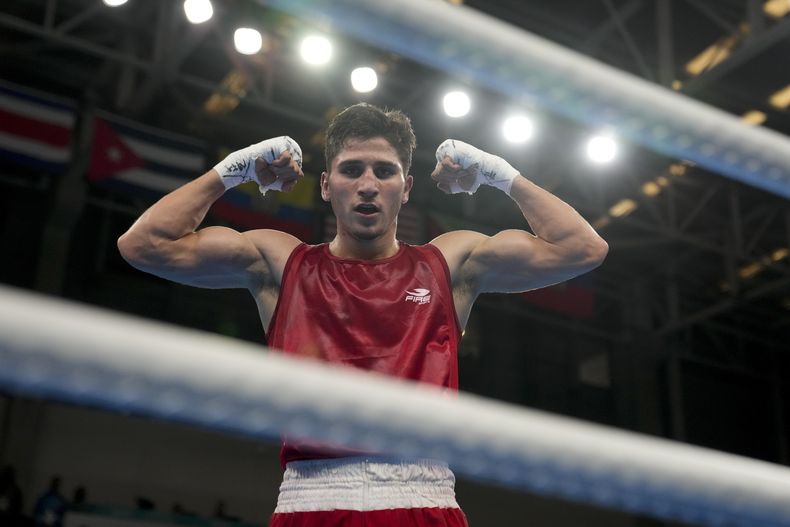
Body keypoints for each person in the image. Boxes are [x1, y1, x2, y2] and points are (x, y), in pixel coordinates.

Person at [118, 103, 608, 526]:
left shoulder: (449, 264)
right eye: (352, 170)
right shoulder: (281, 262)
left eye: (384, 170)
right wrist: (232, 169)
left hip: (422, 500)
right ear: (327, 185)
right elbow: (143, 245)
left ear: (407, 187)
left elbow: (582, 248)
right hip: (310, 504)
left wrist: (498, 173)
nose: (368, 185)